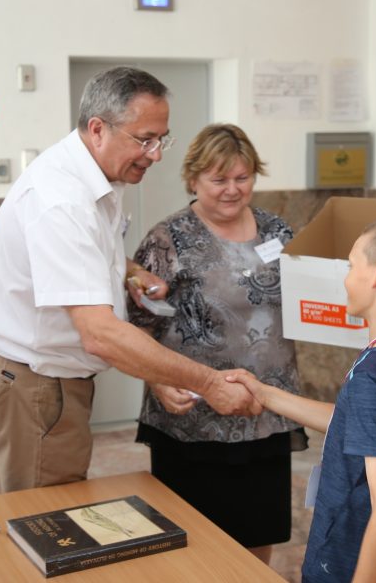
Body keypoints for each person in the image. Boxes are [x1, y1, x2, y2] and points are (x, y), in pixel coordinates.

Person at [0, 67, 260, 493]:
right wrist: (209, 383)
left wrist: (129, 270)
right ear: (97, 129)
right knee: (46, 517)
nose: (155, 154)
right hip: (35, 384)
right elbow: (101, 335)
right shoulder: (62, 201)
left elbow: (84, 252)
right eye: (145, 140)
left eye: (162, 139)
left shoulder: (96, 174)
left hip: (51, 381)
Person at [127, 123, 307, 565]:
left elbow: (305, 297)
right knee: (192, 540)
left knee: (258, 529)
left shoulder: (276, 230)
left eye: (242, 178)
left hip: (265, 409)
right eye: (219, 179)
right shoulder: (170, 238)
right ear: (193, 179)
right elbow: (136, 324)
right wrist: (157, 381)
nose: (232, 189)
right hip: (194, 416)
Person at [229, 218, 376, 583]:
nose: (345, 278)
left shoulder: (373, 376)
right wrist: (265, 393)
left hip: (352, 561)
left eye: (351, 266)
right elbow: (353, 421)